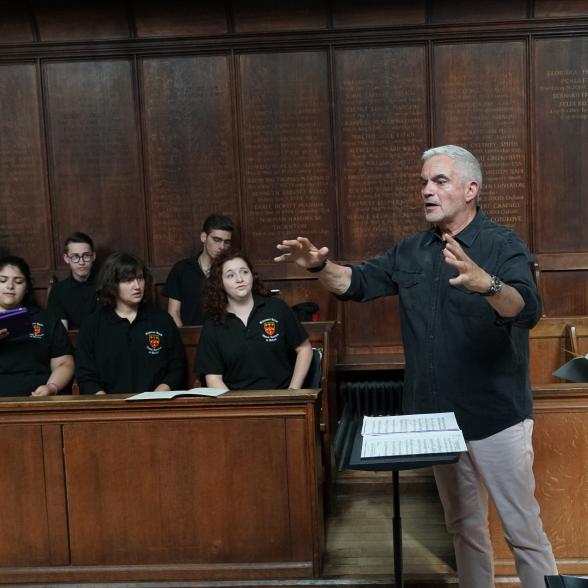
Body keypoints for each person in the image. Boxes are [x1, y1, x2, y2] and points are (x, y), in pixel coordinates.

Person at [275, 145, 557, 588]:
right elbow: (356, 282)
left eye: (439, 181)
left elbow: (527, 309)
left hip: (496, 415)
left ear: (470, 189)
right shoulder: (411, 251)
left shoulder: (503, 245)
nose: (427, 191)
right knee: (464, 528)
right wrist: (319, 266)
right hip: (438, 418)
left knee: (523, 533)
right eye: (423, 182)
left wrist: (489, 284)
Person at [196, 250, 312, 390]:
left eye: (244, 272)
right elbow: (213, 377)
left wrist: (293, 392)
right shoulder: (213, 322)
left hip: (282, 398)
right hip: (237, 403)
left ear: (252, 275)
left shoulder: (276, 308)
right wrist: (234, 408)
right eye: (230, 275)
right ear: (220, 283)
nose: (240, 279)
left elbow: (304, 348)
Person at [76, 252, 185, 395]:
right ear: (112, 284)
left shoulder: (162, 320)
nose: (137, 286)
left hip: (156, 403)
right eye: (127, 280)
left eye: (139, 278)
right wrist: (104, 401)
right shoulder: (92, 325)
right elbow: (86, 375)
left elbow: (177, 366)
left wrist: (160, 392)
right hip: (109, 407)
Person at [0, 255, 74, 397]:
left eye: (18, 281)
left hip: (38, 398)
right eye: (2, 280)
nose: (10, 286)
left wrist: (51, 387)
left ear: (27, 287)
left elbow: (65, 363)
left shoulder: (46, 319)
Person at [163, 214, 234, 327]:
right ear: (203, 237)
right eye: (216, 240)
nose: (221, 246)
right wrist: (185, 340)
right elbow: (173, 313)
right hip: (189, 339)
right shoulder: (182, 269)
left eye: (226, 242)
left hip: (223, 338)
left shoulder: (231, 271)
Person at [47, 231, 97, 330]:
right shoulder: (58, 291)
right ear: (66, 258)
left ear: (93, 256)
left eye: (86, 255)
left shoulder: (106, 286)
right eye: (75, 257)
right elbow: (61, 333)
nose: (81, 262)